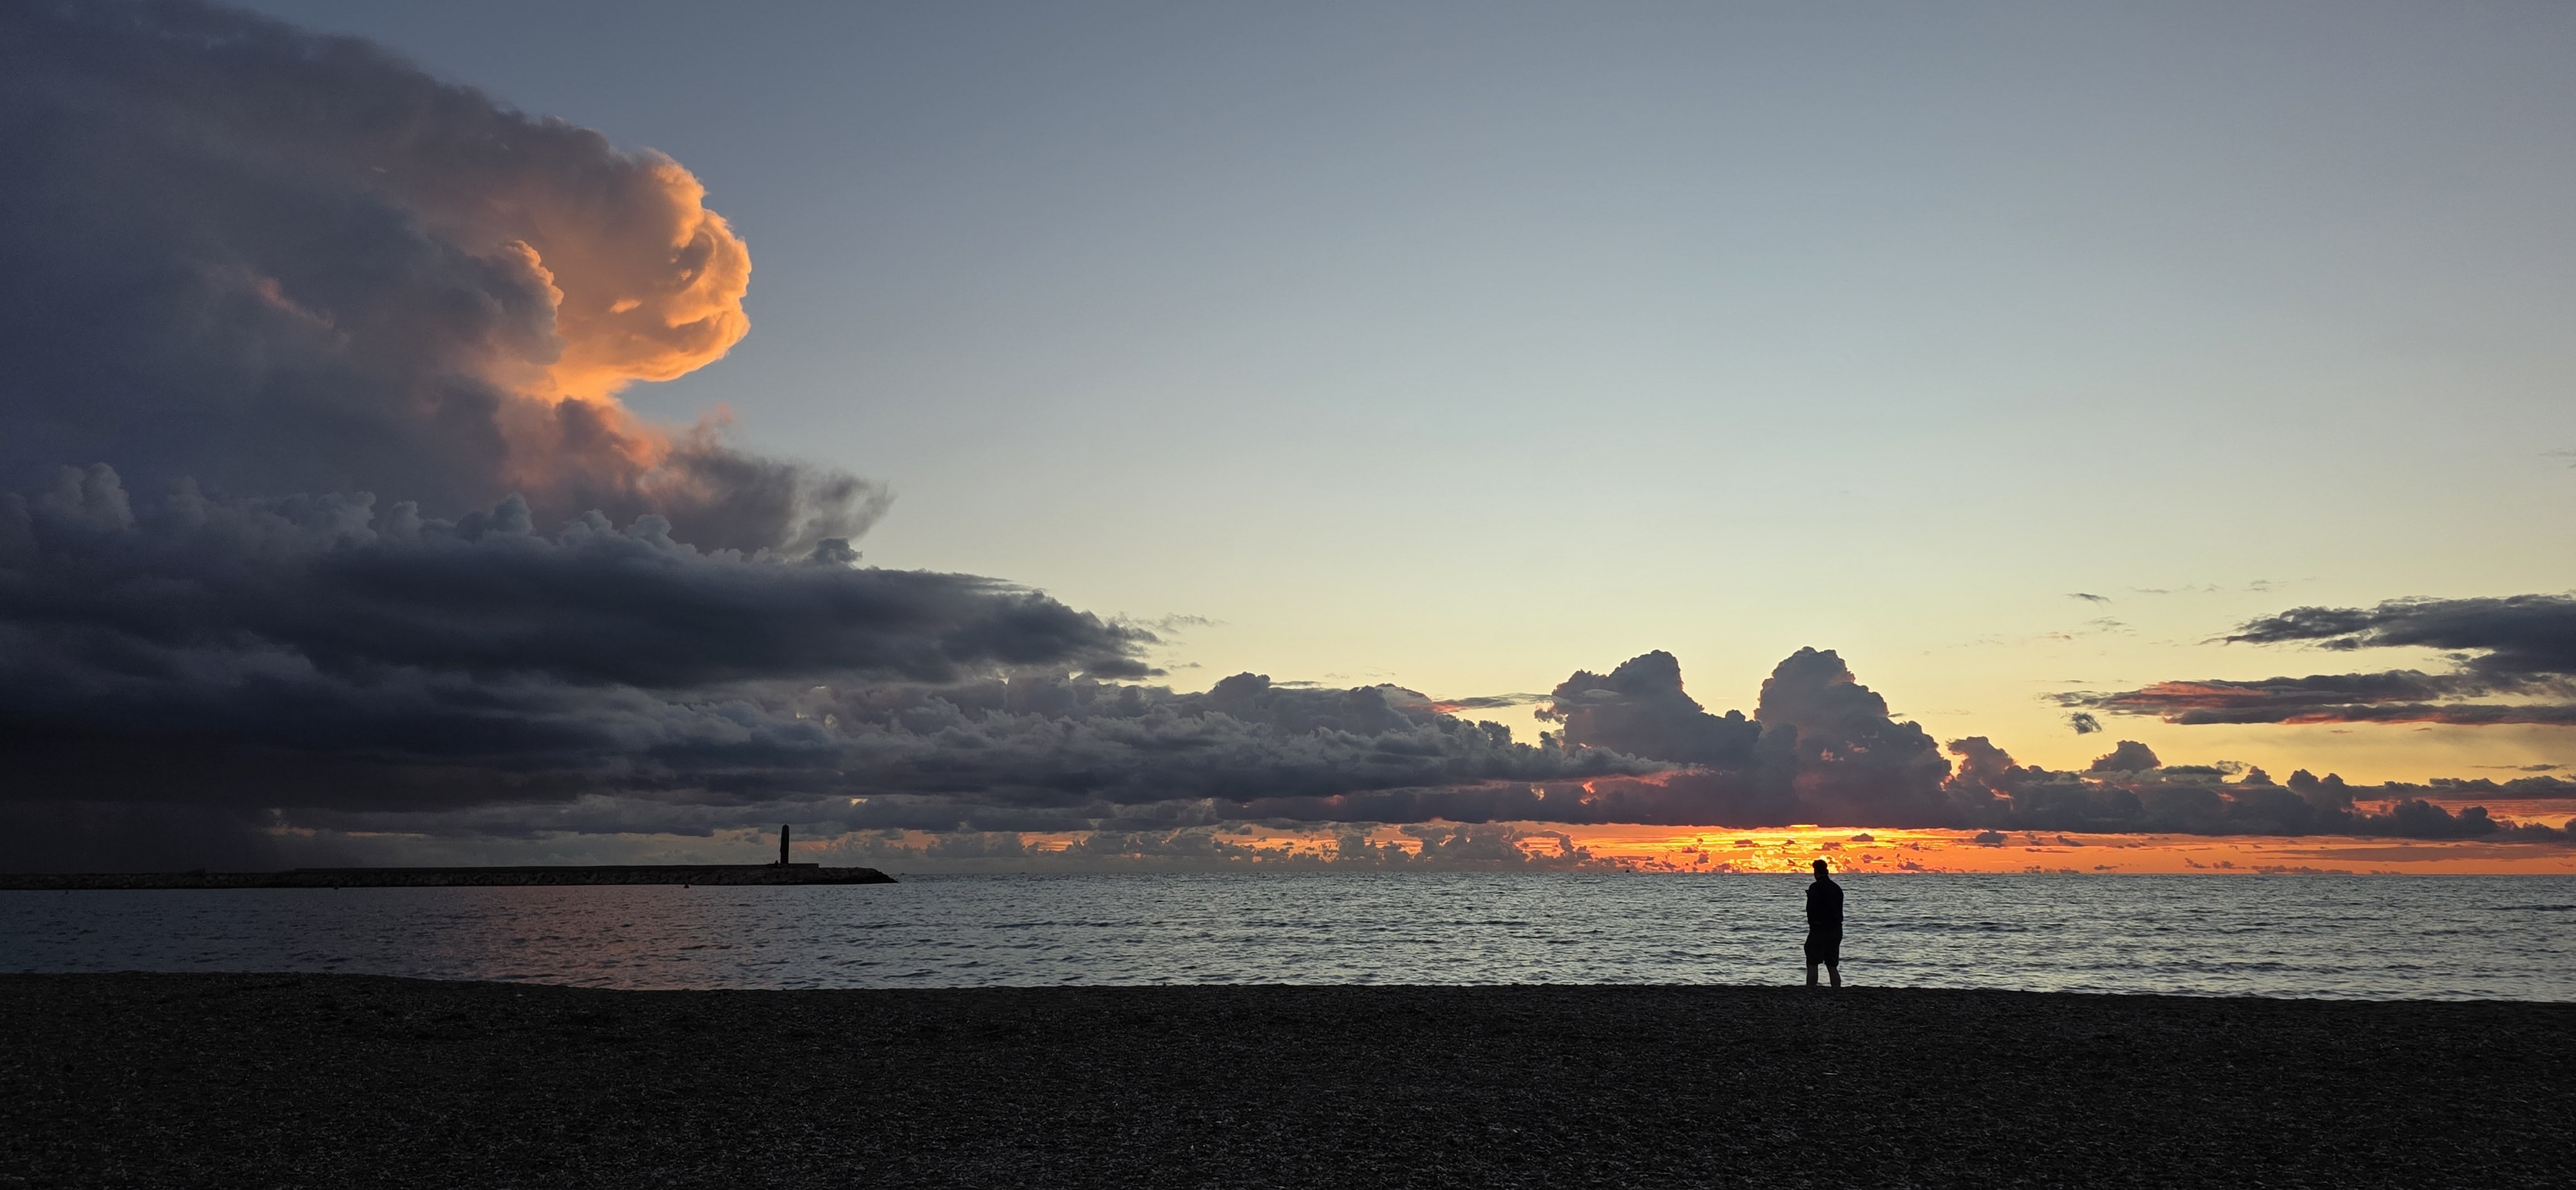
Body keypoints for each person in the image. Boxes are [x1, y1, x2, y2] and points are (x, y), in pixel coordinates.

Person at [1804, 858, 1843, 988]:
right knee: (1832, 965)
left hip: (1819, 929)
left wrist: (1813, 923)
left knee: (1812, 963)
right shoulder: (1836, 888)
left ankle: (1811, 990)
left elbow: (1811, 909)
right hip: (1836, 929)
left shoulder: (1815, 887)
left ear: (1816, 872)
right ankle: (1836, 990)